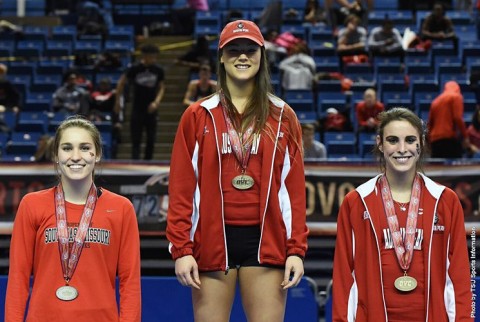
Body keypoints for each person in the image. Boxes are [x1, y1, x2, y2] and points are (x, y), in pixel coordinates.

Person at [166, 20, 309, 322]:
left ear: (261, 56)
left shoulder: (283, 116)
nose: (242, 57)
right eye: (234, 50)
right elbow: (182, 187)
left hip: (266, 238)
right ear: (220, 56)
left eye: (249, 50)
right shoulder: (197, 115)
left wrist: (296, 249)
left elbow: (293, 190)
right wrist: (181, 249)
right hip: (212, 239)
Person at [332, 107, 472, 321]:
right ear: (380, 143)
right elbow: (344, 276)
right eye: (392, 140)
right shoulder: (357, 202)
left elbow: (460, 274)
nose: (402, 148)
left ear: (421, 144)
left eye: (409, 140)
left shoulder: (445, 200)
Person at [5, 116, 141, 321]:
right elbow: (18, 278)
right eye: (67, 148)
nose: (76, 156)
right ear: (56, 155)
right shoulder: (31, 205)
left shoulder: (121, 208)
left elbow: (130, 282)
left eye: (85, 148)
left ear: (97, 154)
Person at [115, 44, 165, 160]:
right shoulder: (135, 68)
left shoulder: (158, 70)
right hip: (137, 106)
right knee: (136, 138)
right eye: (151, 57)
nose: (154, 59)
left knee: (151, 138)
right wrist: (117, 101)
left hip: (151, 107)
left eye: (155, 57)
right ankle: (135, 162)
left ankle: (149, 162)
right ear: (145, 56)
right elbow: (121, 83)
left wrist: (156, 102)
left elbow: (162, 87)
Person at [427, 81, 471, 158]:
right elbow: (458, 118)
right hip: (449, 139)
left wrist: (428, 142)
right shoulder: (456, 97)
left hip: (435, 141)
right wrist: (465, 136)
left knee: (437, 167)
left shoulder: (435, 102)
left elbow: (430, 124)